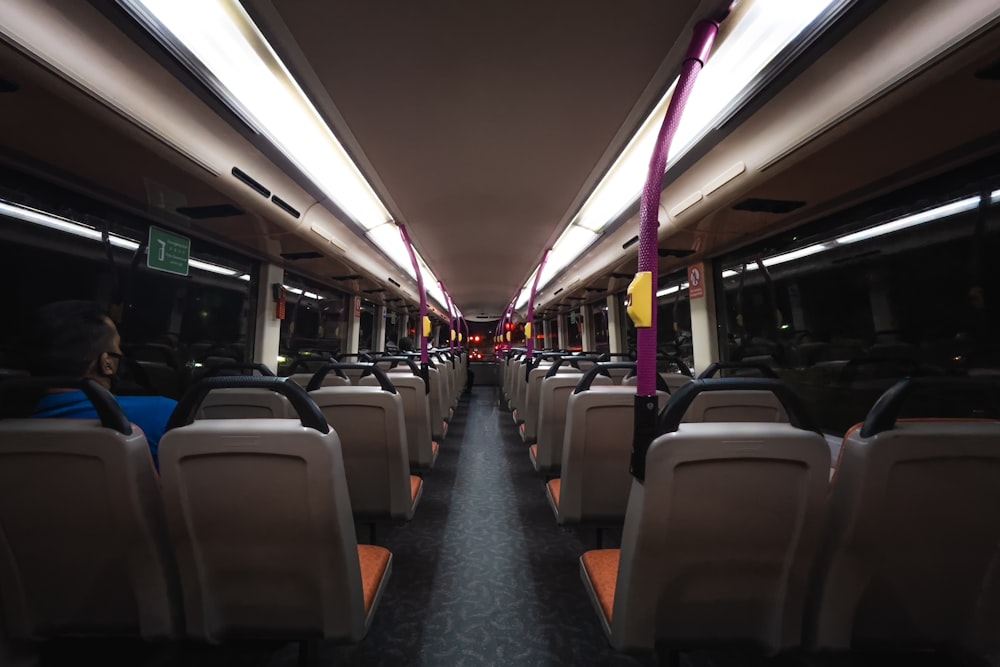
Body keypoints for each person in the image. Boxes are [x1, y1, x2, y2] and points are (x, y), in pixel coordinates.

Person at [23, 300, 177, 468]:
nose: (121, 353)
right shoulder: (162, 413)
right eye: (117, 346)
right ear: (107, 363)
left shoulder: (13, 424)